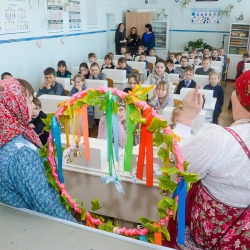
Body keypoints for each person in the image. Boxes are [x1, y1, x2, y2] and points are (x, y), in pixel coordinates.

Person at [169, 71, 250, 249]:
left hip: (212, 234)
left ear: (241, 99)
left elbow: (180, 162)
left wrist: (187, 117)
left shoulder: (219, 139)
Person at [0, 78, 78, 223]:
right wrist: (78, 228)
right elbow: (47, 205)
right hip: (36, 226)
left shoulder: (7, 136)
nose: (31, 106)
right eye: (29, 101)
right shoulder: (21, 154)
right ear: (16, 106)